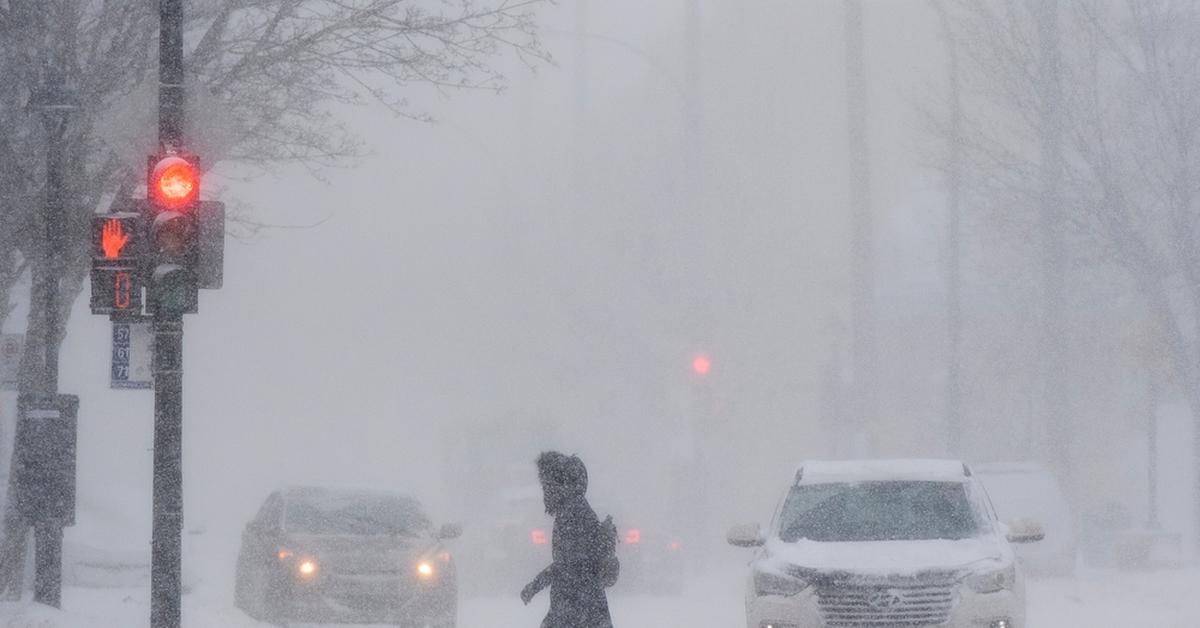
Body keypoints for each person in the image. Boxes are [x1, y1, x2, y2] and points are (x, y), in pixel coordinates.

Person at [520, 452, 614, 628]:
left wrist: (535, 585)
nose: (544, 491)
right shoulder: (578, 508)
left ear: (557, 484)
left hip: (576, 605)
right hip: (587, 605)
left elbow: (566, 565)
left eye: (545, 484)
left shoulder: (571, 513)